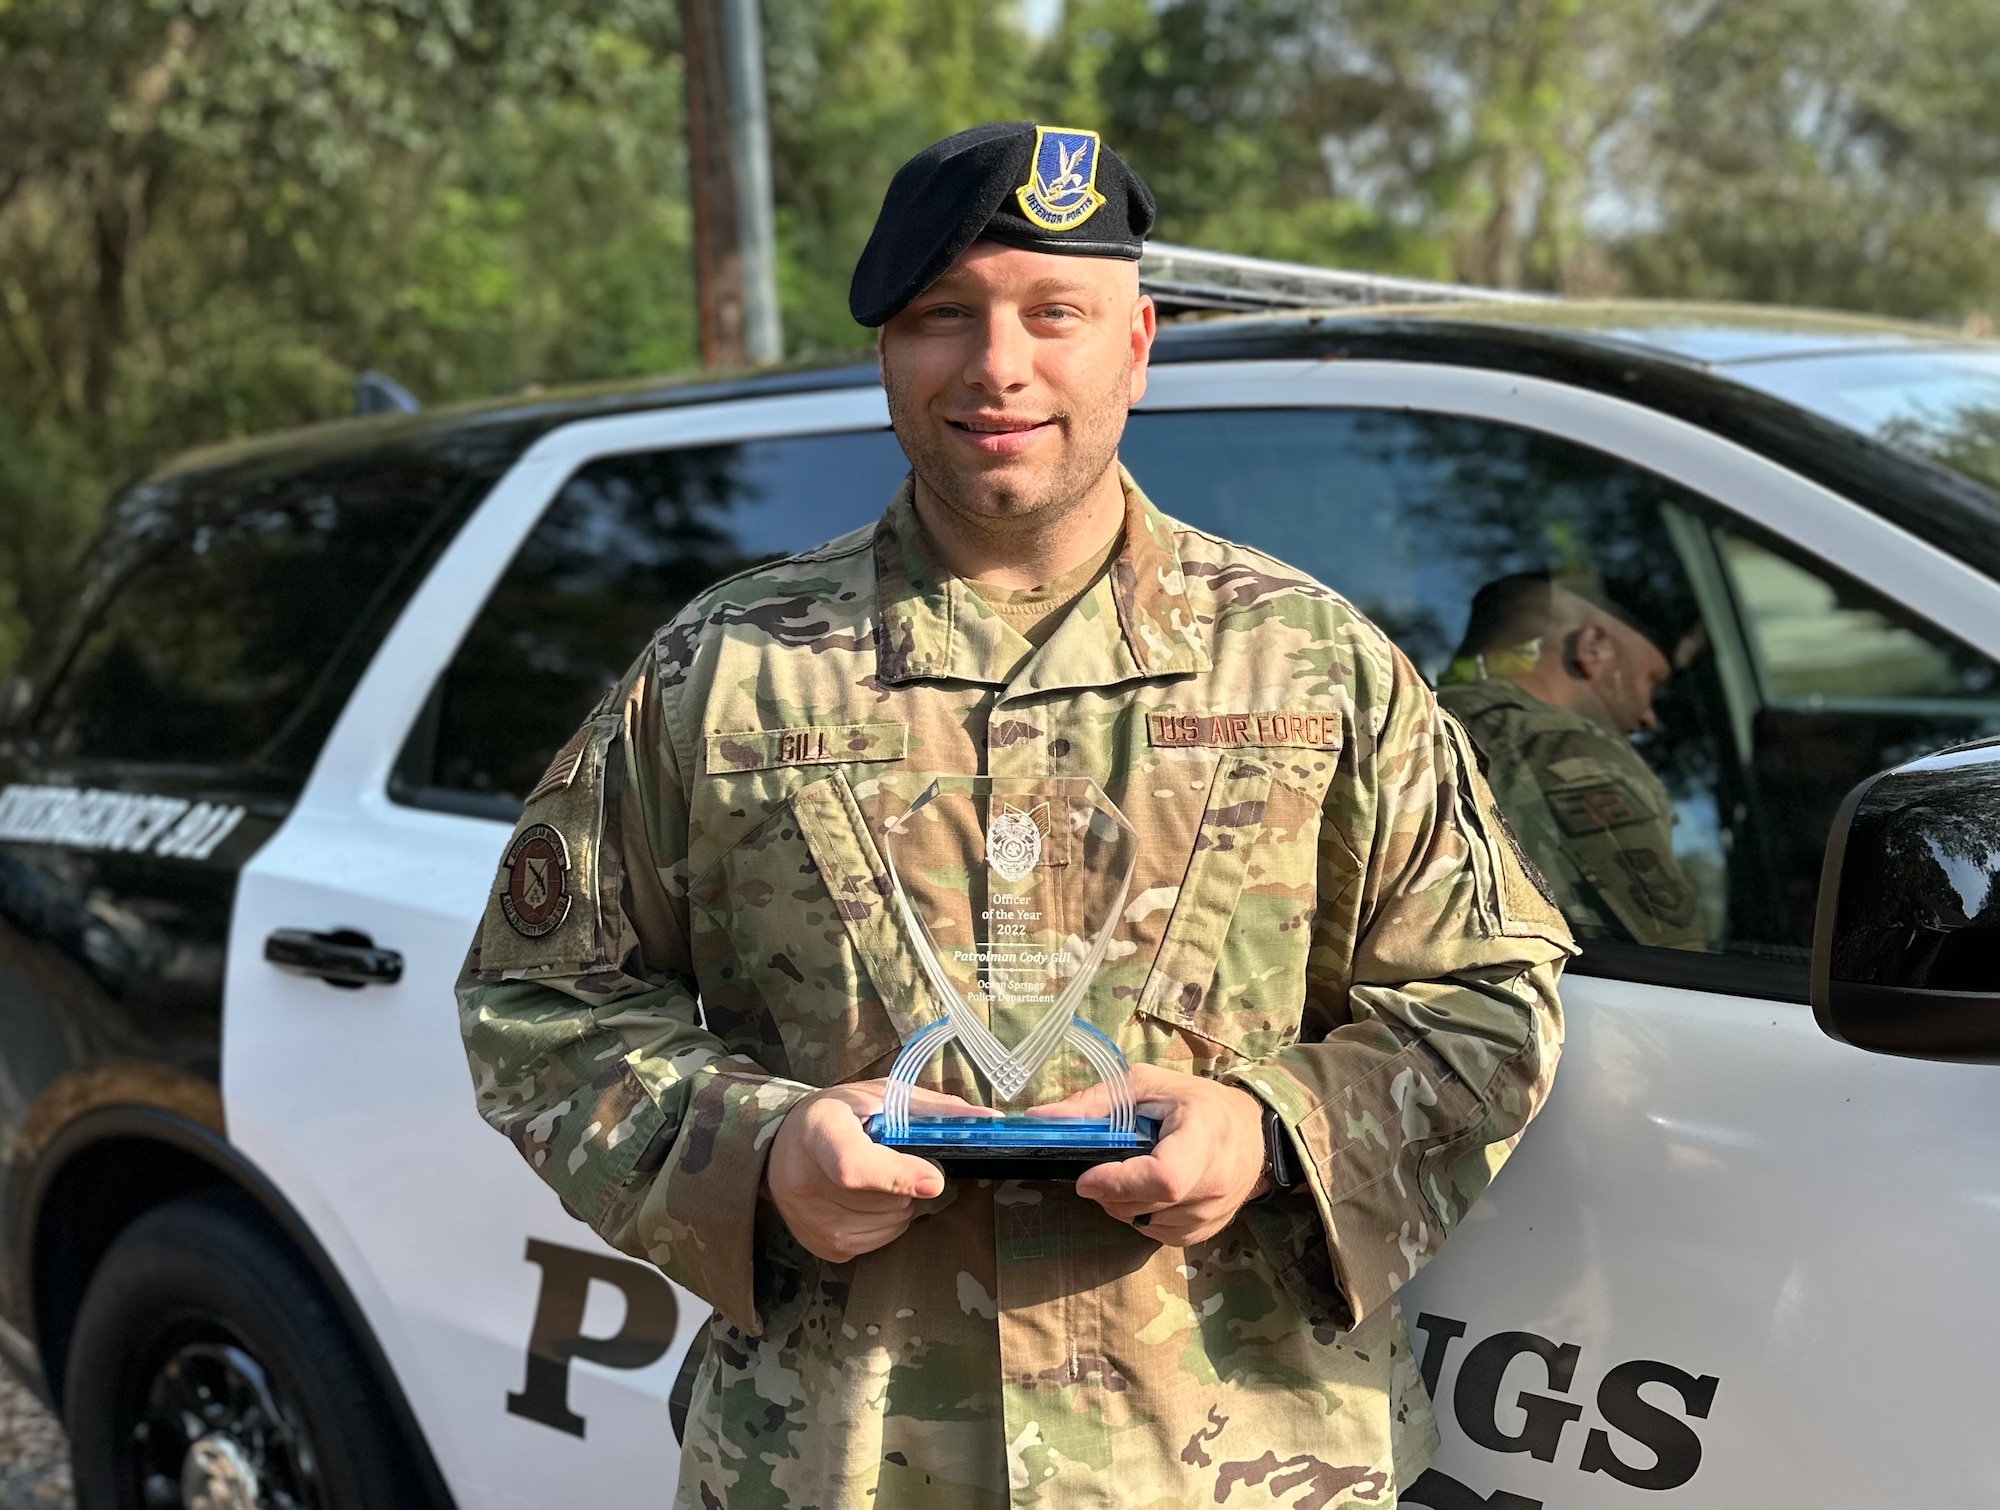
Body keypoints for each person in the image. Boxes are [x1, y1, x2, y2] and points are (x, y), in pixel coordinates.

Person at [457, 121, 1573, 1509]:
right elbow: (538, 1005)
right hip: (843, 1460)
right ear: (886, 351)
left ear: (1139, 340)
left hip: (1231, 1467)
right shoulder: (726, 671)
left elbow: (1488, 991)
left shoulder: (1312, 665)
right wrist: (755, 1153)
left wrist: (1274, 1130)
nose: (999, 365)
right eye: (945, 316)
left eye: (1057, 312)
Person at [1438, 572, 1706, 950]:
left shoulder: (1410, 725)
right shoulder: (1564, 749)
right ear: (1593, 647)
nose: (1649, 716)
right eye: (1651, 681)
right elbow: (1672, 961)